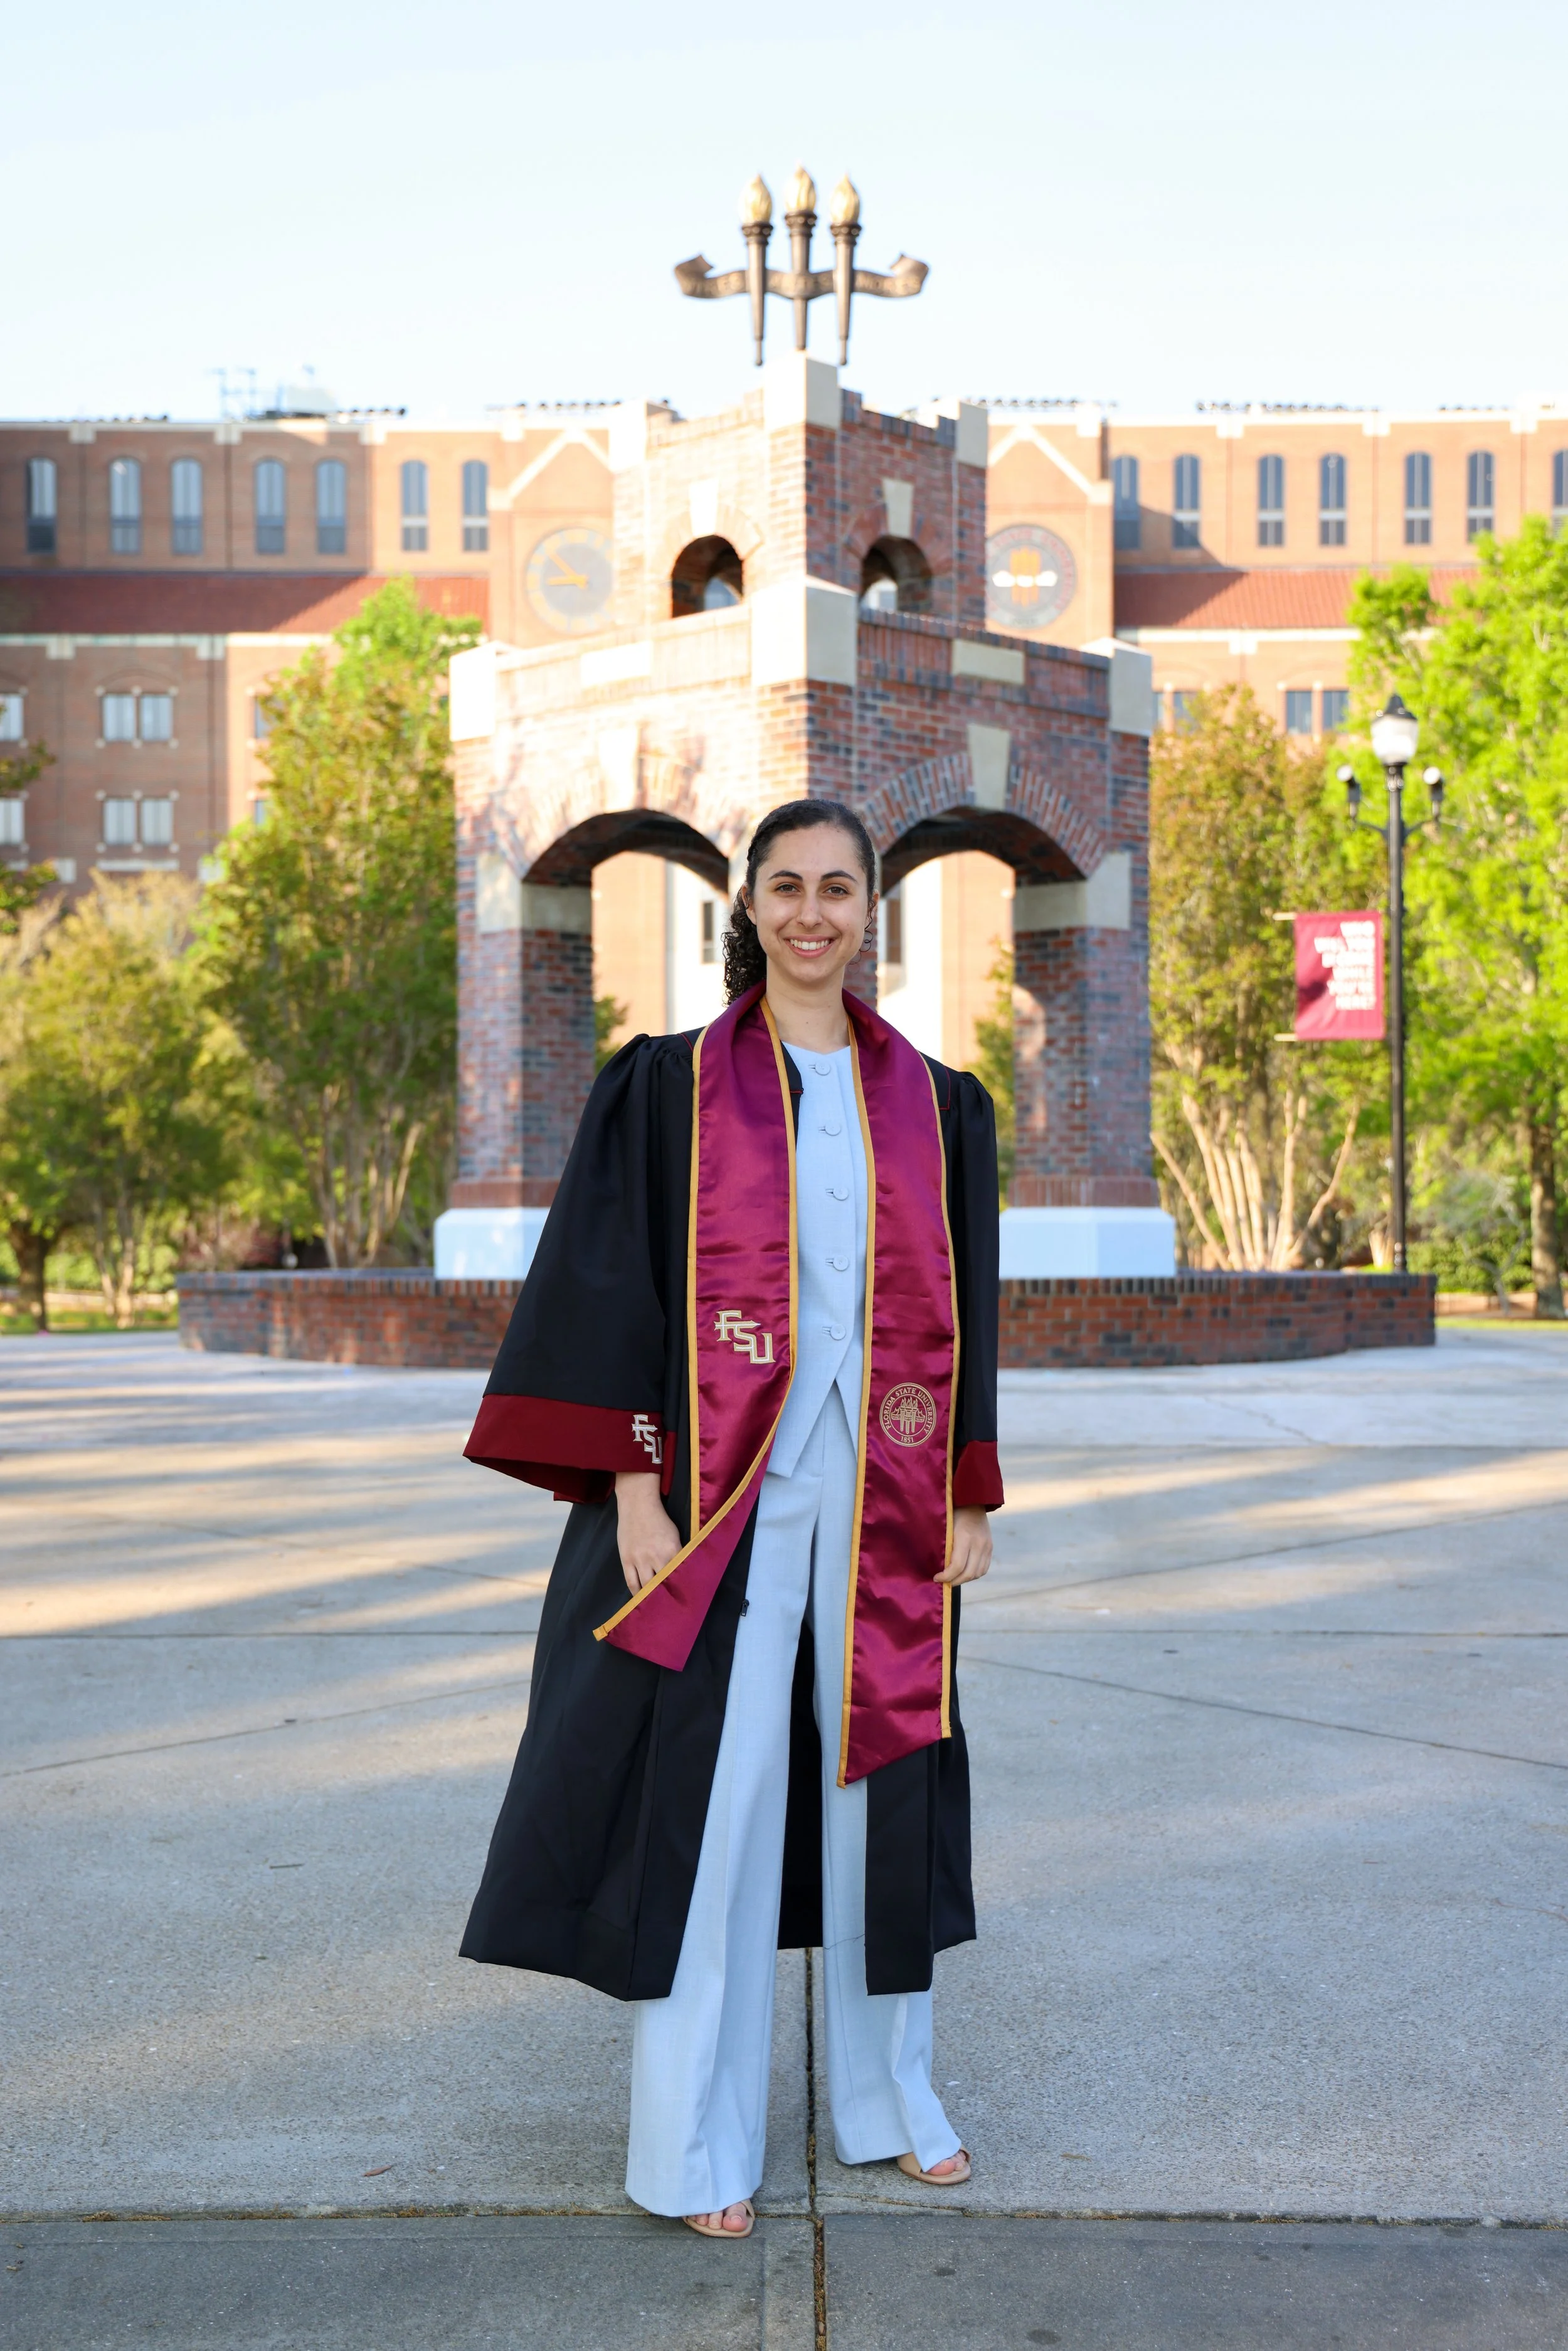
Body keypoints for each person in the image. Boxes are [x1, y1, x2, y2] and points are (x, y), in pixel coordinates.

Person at [458, 799, 1003, 2238]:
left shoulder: (940, 1104)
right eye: (786, 888)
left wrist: (962, 1485)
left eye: (837, 888)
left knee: (884, 1784)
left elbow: (972, 1325)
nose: (812, 912)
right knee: (710, 1800)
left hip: (877, 1493)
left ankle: (894, 2102)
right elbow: (606, 1290)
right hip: (712, 1499)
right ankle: (694, 2144)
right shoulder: (667, 1087)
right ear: (746, 908)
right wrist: (631, 1483)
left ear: (868, 908)